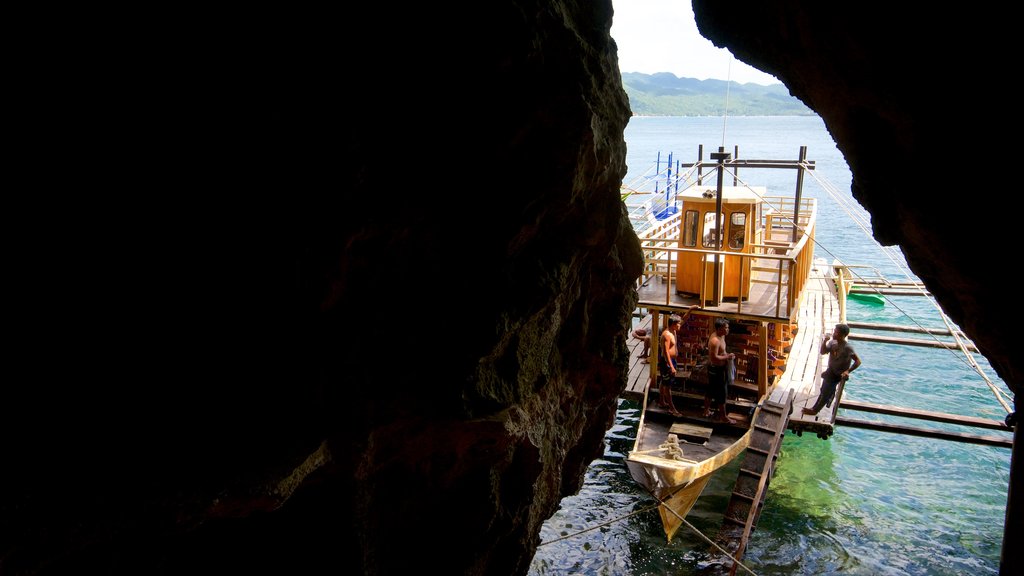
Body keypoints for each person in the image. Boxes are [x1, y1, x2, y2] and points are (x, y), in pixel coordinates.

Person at [803, 323, 861, 415]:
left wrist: (847, 371)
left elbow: (858, 361)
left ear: (843, 335)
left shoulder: (847, 348)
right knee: (823, 390)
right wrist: (825, 341)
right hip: (831, 370)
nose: (834, 334)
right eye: (834, 332)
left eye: (836, 333)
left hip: (838, 373)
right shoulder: (833, 343)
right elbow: (823, 352)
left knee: (826, 391)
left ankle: (815, 410)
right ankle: (815, 408)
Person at [704, 317, 736, 423]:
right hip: (716, 369)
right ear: (719, 328)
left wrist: (727, 355)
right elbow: (714, 358)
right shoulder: (715, 341)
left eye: (728, 328)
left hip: (720, 367)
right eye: (725, 328)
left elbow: (723, 352)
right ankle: (724, 417)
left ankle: (706, 411)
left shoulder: (722, 336)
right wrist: (727, 357)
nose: (727, 330)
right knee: (722, 392)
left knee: (711, 389)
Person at [658, 315, 683, 417]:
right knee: (668, 385)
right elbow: (666, 352)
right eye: (678, 324)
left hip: (672, 360)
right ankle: (672, 409)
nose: (680, 325)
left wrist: (690, 310)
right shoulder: (667, 335)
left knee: (664, 381)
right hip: (667, 362)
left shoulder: (673, 331)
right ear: (673, 324)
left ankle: (661, 401)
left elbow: (684, 320)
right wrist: (671, 366)